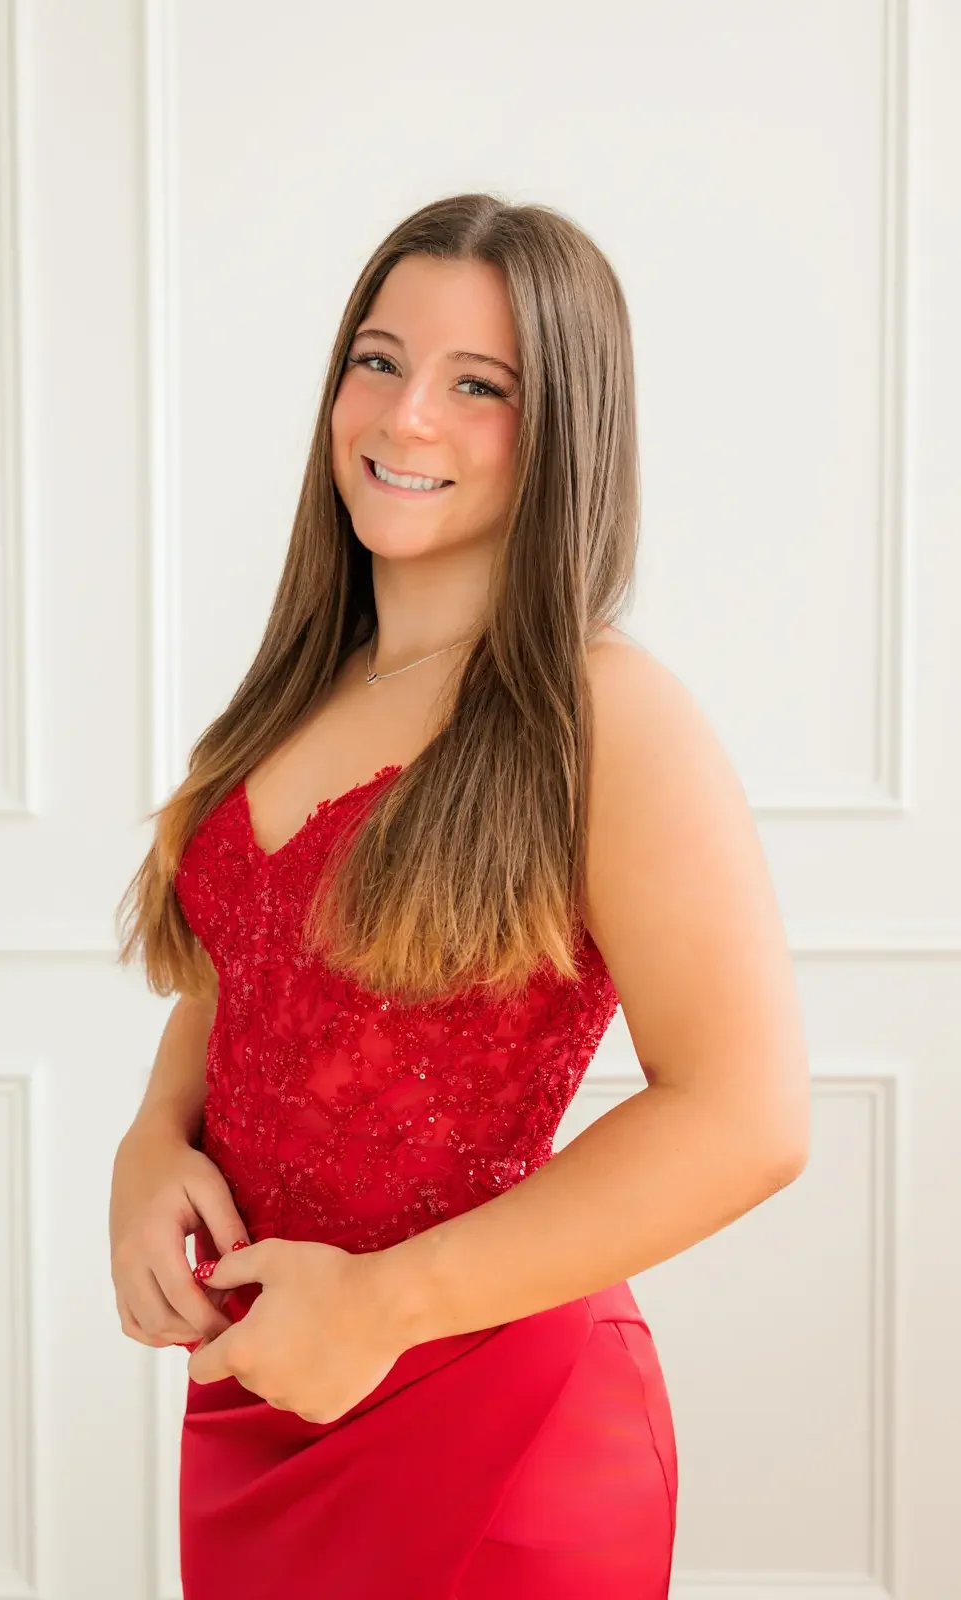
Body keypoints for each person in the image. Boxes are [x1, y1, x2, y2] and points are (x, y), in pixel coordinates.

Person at [110, 191, 810, 1599]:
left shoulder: (605, 713)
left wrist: (381, 1304)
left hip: (500, 1419)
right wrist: (150, 1137)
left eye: (478, 384)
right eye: (377, 360)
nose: (406, 414)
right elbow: (248, 969)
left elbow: (747, 1117)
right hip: (260, 1395)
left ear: (563, 432)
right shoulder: (297, 691)